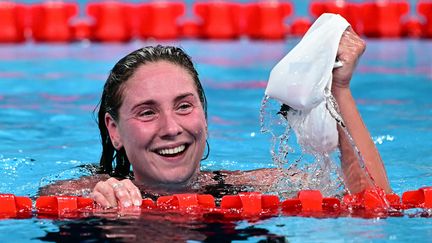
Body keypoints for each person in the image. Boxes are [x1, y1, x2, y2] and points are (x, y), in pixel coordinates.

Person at [40, 27, 391, 208]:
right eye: (147, 112)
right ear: (114, 130)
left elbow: (376, 207)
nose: (171, 128)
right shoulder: (80, 196)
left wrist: (340, 91)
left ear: (204, 118)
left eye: (184, 106)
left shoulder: (257, 187)